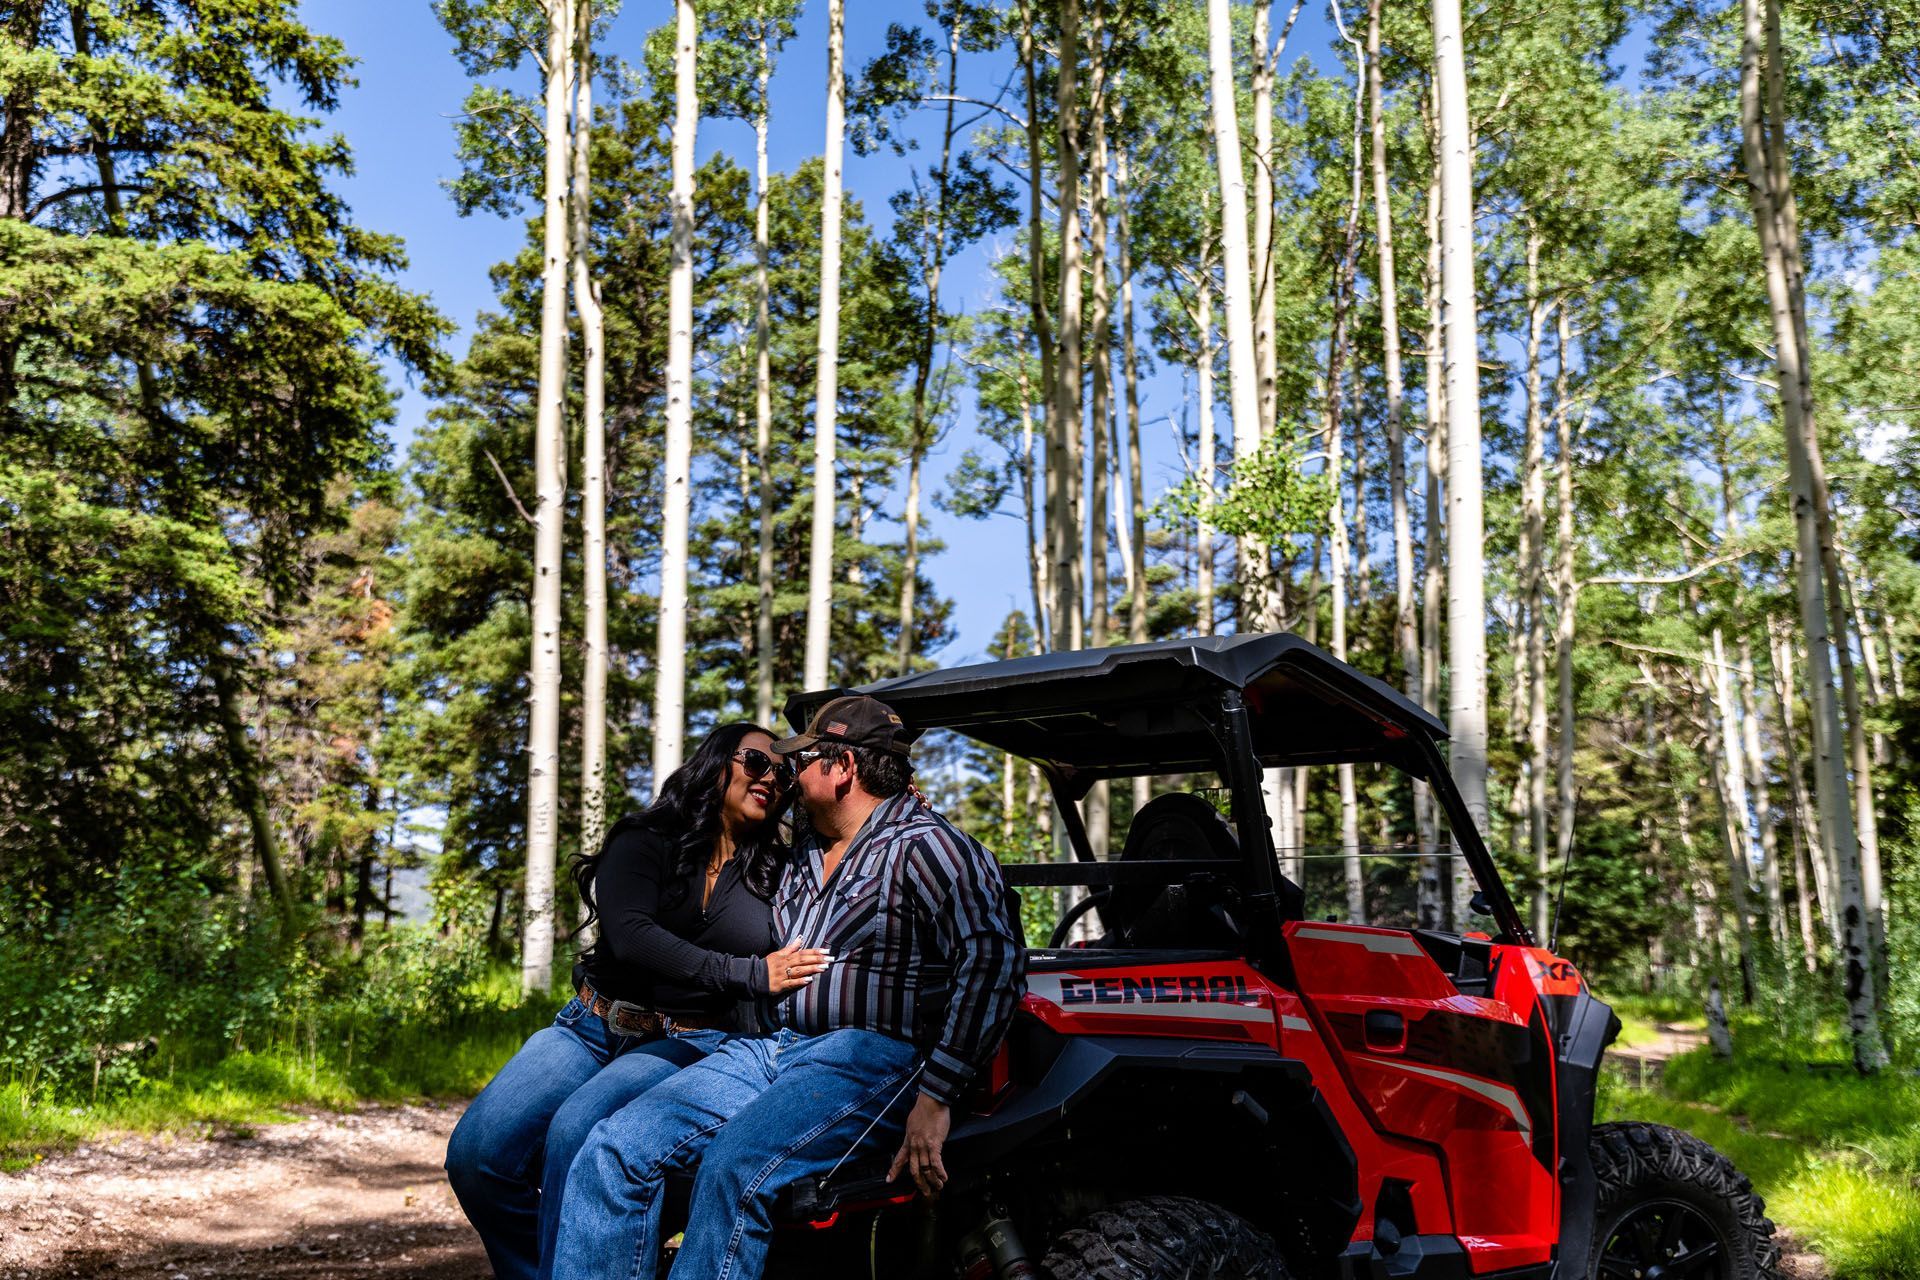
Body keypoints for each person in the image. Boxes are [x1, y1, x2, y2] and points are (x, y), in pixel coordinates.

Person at [549, 694, 1026, 1280]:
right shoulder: (802, 848)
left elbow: (993, 959)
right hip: (767, 1049)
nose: (787, 775)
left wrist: (938, 1097)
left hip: (866, 1056)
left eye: (803, 761)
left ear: (843, 768)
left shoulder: (928, 847)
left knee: (734, 1167)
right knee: (614, 1147)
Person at [444, 723, 832, 1280]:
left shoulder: (779, 870)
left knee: (577, 1132)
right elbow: (631, 935)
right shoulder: (645, 839)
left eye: (782, 772)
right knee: (478, 1157)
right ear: (717, 763)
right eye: (755, 761)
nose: (770, 777)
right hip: (592, 1025)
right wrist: (748, 974)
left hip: (689, 1041)